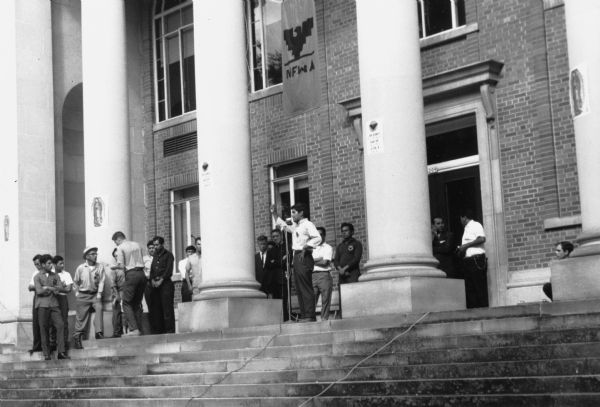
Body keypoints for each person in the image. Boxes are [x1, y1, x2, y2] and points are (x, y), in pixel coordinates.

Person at [270, 203, 321, 322]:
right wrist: (274, 213)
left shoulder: (308, 224)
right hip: (296, 257)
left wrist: (306, 247)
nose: (292, 216)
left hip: (304, 256)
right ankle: (305, 315)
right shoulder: (297, 227)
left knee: (305, 286)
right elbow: (283, 225)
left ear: (301, 213)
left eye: (294, 213)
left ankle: (310, 315)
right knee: (299, 287)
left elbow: (317, 237)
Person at [35, 254, 69, 360]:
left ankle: (61, 352)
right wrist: (51, 288)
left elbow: (59, 288)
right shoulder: (37, 277)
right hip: (42, 305)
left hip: (54, 304)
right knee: (44, 328)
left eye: (51, 263)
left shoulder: (55, 275)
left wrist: (47, 287)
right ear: (43, 264)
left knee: (60, 325)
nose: (51, 265)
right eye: (49, 263)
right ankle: (46, 354)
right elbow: (39, 291)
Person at [112, 231, 146, 337]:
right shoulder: (137, 244)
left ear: (118, 239)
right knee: (136, 303)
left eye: (115, 242)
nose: (116, 244)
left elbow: (121, 265)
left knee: (126, 302)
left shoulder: (121, 247)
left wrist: (112, 267)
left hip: (131, 274)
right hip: (142, 274)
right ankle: (139, 328)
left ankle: (134, 329)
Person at [72, 247, 106, 349]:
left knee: (99, 308)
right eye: (92, 254)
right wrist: (77, 293)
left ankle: (98, 332)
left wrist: (99, 294)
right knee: (81, 317)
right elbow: (75, 282)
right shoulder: (81, 268)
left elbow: (102, 281)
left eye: (96, 254)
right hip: (83, 295)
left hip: (95, 294)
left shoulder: (100, 267)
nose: (95, 256)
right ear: (87, 256)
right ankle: (77, 337)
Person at [457, 209, 488, 308]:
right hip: (468, 260)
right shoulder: (466, 229)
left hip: (476, 260)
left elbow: (482, 239)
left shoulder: (475, 225)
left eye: (460, 218)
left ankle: (483, 310)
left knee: (479, 286)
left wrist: (466, 246)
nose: (460, 221)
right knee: (470, 288)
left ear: (464, 217)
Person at [149, 236, 175, 334]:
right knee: (157, 308)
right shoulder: (155, 256)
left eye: (157, 245)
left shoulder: (168, 255)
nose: (155, 247)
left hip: (165, 284)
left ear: (162, 244)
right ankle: (160, 330)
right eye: (154, 245)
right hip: (155, 285)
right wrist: (152, 279)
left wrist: (161, 279)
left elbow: (169, 270)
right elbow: (152, 269)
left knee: (167, 308)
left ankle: (169, 330)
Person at [52, 255, 72, 353]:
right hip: (53, 298)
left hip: (62, 298)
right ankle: (53, 343)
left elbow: (68, 289)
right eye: (60, 264)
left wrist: (58, 288)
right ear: (54, 265)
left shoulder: (66, 274)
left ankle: (64, 343)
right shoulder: (50, 275)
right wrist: (61, 286)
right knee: (52, 321)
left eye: (63, 263)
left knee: (64, 321)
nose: (63, 265)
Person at [312, 227, 333, 321]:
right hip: (312, 275)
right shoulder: (311, 248)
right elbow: (306, 262)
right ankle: (311, 320)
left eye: (320, 234)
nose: (318, 236)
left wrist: (312, 261)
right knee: (311, 299)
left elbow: (325, 263)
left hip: (324, 275)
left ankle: (324, 319)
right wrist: (319, 259)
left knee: (326, 299)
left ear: (324, 236)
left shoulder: (328, 247)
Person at [270, 229, 290, 321]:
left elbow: (286, 263)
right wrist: (280, 261)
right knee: (276, 302)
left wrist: (275, 262)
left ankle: (285, 319)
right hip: (274, 279)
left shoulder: (286, 247)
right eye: (273, 236)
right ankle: (279, 320)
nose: (275, 238)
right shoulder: (272, 250)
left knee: (284, 301)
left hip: (283, 279)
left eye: (276, 236)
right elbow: (269, 265)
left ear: (281, 236)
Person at [27, 254, 44, 355]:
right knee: (36, 323)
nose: (37, 266)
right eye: (35, 264)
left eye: (38, 264)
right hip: (37, 298)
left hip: (48, 299)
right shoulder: (35, 273)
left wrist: (37, 286)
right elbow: (29, 287)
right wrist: (40, 286)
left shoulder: (50, 272)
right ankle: (37, 345)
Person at [109, 248, 126, 337]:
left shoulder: (126, 266)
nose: (117, 257)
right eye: (115, 256)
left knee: (127, 311)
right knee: (116, 312)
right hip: (117, 291)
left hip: (126, 291)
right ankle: (117, 332)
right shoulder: (114, 269)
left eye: (118, 255)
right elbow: (113, 283)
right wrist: (117, 295)